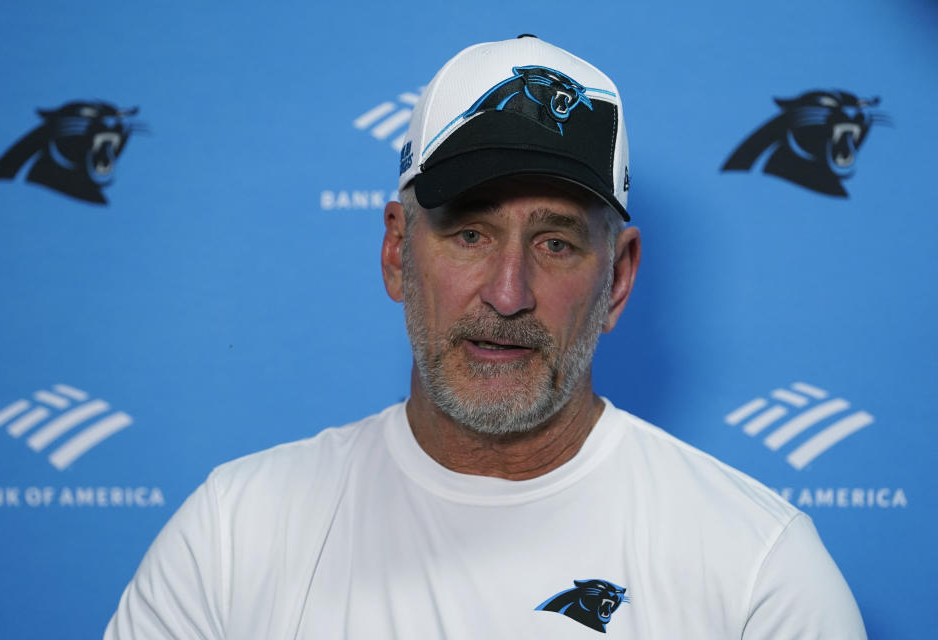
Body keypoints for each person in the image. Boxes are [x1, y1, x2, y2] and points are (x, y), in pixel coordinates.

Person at [105, 36, 866, 639]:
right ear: (398, 251)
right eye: (469, 233)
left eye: (557, 244)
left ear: (620, 280)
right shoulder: (235, 536)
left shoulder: (756, 567)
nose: (508, 294)